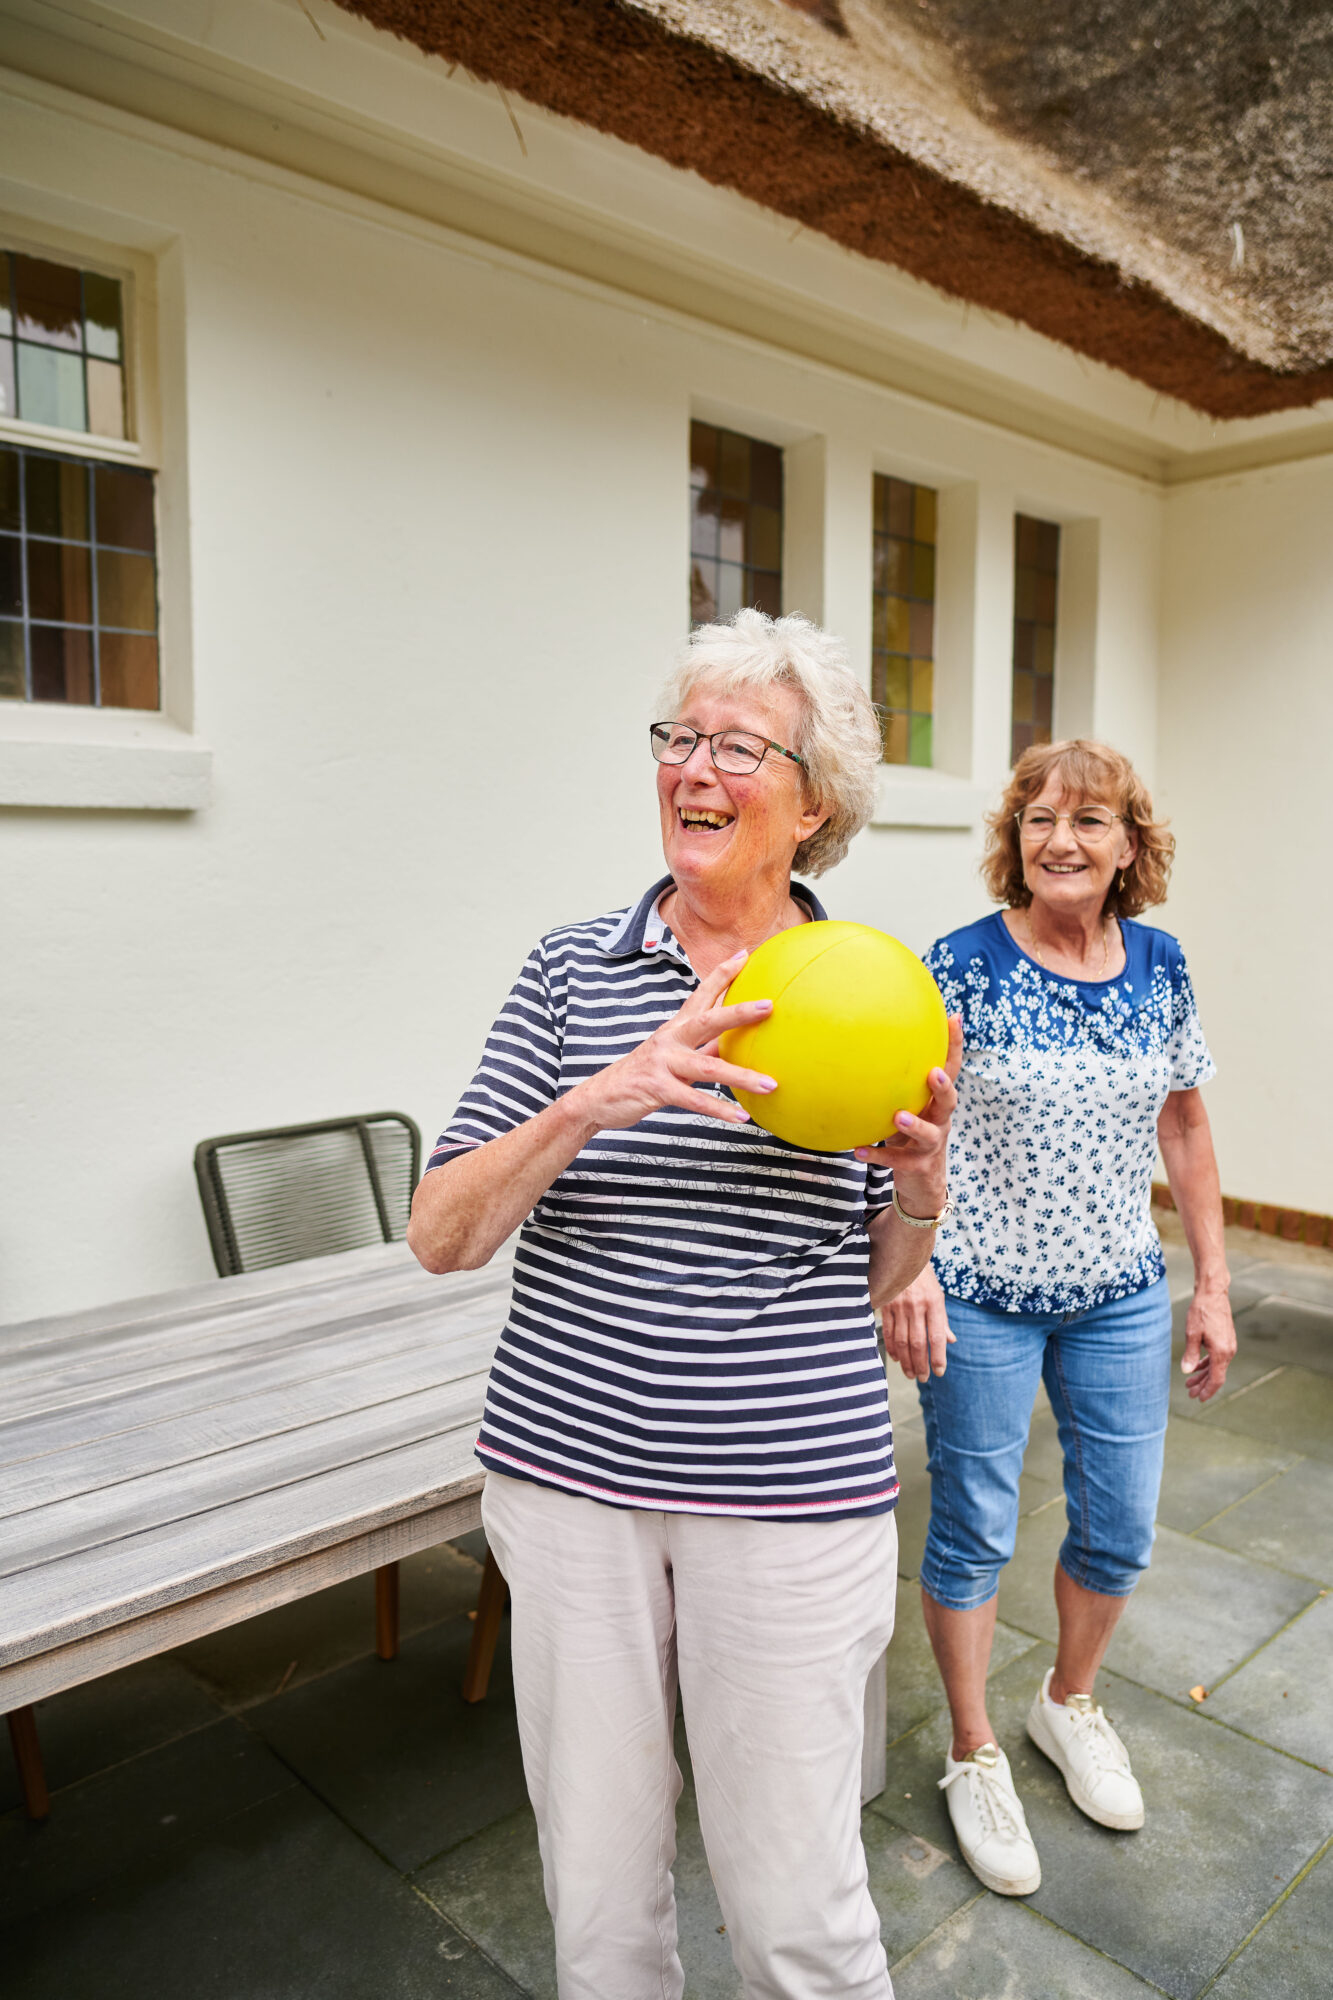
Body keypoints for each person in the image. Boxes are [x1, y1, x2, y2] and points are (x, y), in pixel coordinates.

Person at [409, 609, 960, 2000]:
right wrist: (600, 1095)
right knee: (598, 1903)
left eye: (735, 745)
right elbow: (441, 1234)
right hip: (571, 1482)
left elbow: (886, 1286)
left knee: (796, 1910)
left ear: (814, 799)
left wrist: (917, 1190)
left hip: (787, 1496)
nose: (691, 769)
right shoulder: (567, 970)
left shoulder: (882, 998)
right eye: (678, 737)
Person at [883, 738, 1235, 1898]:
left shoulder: (1160, 966)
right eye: (1038, 817)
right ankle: (973, 1747)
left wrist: (1214, 1281)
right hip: (979, 1291)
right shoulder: (962, 965)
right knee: (973, 1523)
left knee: (1120, 1524)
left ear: (1129, 843)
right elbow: (904, 1126)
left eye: (1088, 819)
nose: (1059, 838)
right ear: (1014, 838)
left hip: (1118, 1294)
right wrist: (915, 1266)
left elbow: (1182, 1124)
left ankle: (1065, 1701)